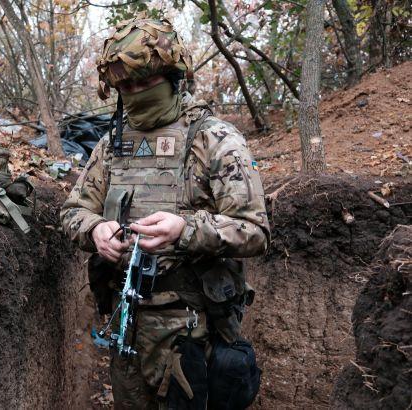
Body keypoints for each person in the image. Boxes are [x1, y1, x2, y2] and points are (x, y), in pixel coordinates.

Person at [61, 14, 270, 410]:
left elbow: (255, 230)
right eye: (126, 85)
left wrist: (184, 229)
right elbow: (73, 210)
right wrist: (95, 230)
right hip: (127, 321)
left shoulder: (215, 140)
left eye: (146, 82)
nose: (136, 92)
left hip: (193, 329)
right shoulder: (112, 145)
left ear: (174, 77)